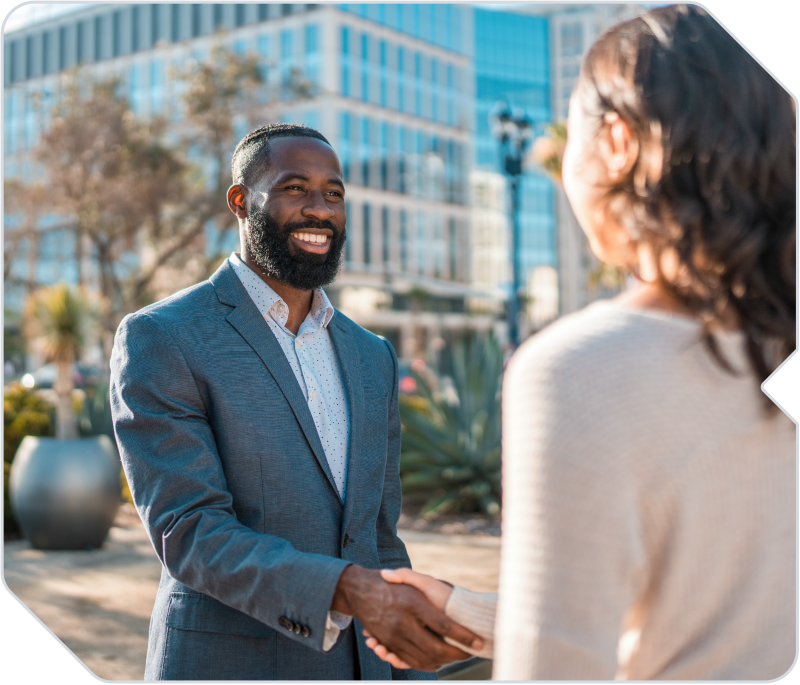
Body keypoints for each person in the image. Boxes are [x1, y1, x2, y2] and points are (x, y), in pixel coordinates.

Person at [364, 5, 796, 680]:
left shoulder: (582, 369)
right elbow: (712, 611)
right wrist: (471, 611)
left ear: (618, 142)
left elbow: (561, 665)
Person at [109, 123, 481, 681]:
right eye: (294, 188)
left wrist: (410, 648)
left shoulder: (371, 353)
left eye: (334, 193)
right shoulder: (163, 336)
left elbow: (378, 535)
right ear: (240, 201)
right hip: (231, 664)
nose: (320, 209)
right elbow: (189, 530)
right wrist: (347, 590)